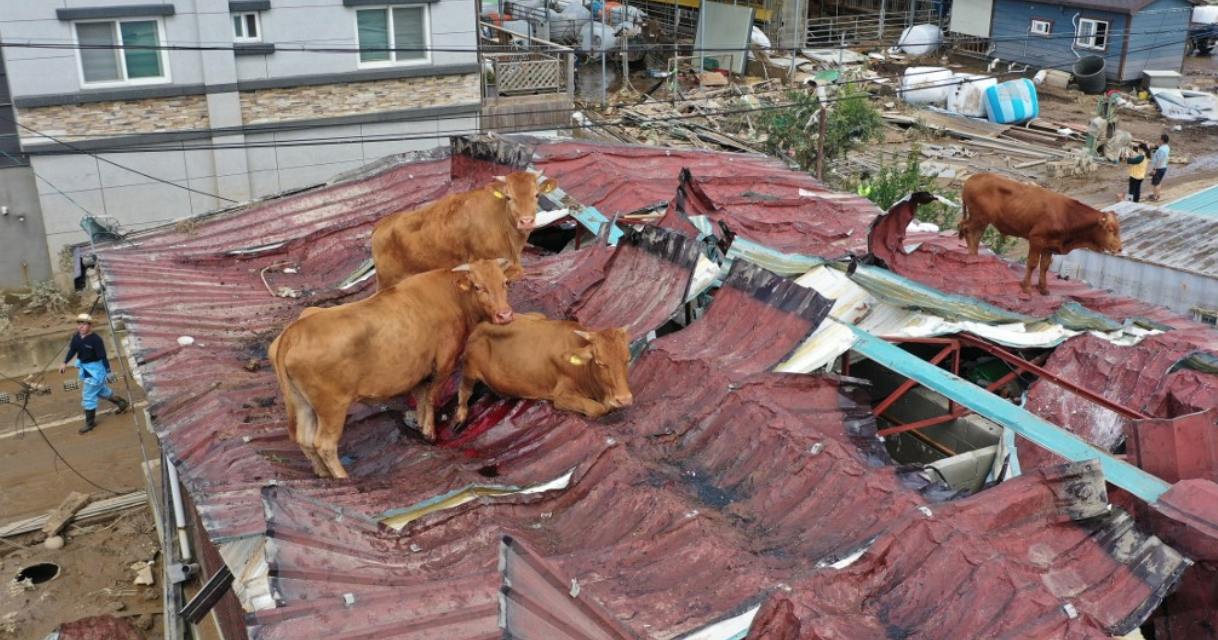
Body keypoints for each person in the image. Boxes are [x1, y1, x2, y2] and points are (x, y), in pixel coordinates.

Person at [58, 313, 127, 433]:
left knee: (88, 395)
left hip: (96, 370)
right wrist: (65, 362)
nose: (81, 327)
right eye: (79, 324)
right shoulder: (76, 337)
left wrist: (108, 371)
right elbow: (72, 350)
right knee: (100, 391)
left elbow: (103, 357)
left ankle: (90, 423)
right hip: (85, 368)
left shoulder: (96, 340)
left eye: (84, 324)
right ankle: (121, 403)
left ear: (90, 326)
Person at [1148, 133, 1171, 202]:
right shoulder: (1167, 147)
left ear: (1162, 140)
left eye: (1160, 139)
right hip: (1163, 167)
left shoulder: (1161, 150)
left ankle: (1155, 197)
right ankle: (1157, 194)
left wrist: (1155, 169)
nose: (1159, 140)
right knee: (1158, 182)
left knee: (1156, 183)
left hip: (1159, 168)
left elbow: (1159, 161)